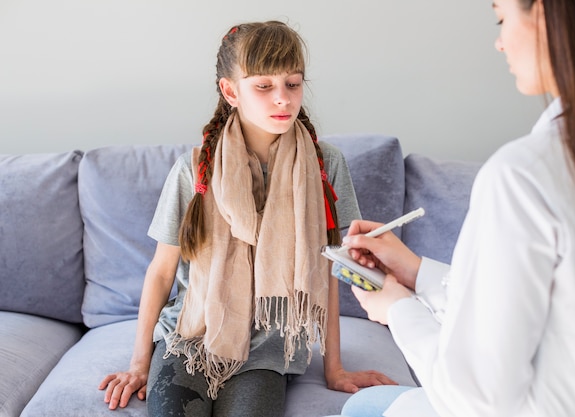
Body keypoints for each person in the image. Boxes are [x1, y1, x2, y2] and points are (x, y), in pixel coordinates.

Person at [330, 0, 575, 416]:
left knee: (362, 409)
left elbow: (475, 398)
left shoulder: (524, 176)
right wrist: (417, 273)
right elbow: (539, 306)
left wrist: (396, 308)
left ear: (541, 16)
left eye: (502, 18)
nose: (500, 43)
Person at [98, 20, 394, 416]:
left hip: (270, 350)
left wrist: (335, 369)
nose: (283, 100)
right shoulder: (194, 170)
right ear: (230, 91)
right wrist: (138, 363)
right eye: (264, 86)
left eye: (292, 83)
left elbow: (328, 272)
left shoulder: (325, 165)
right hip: (189, 337)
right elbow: (162, 272)